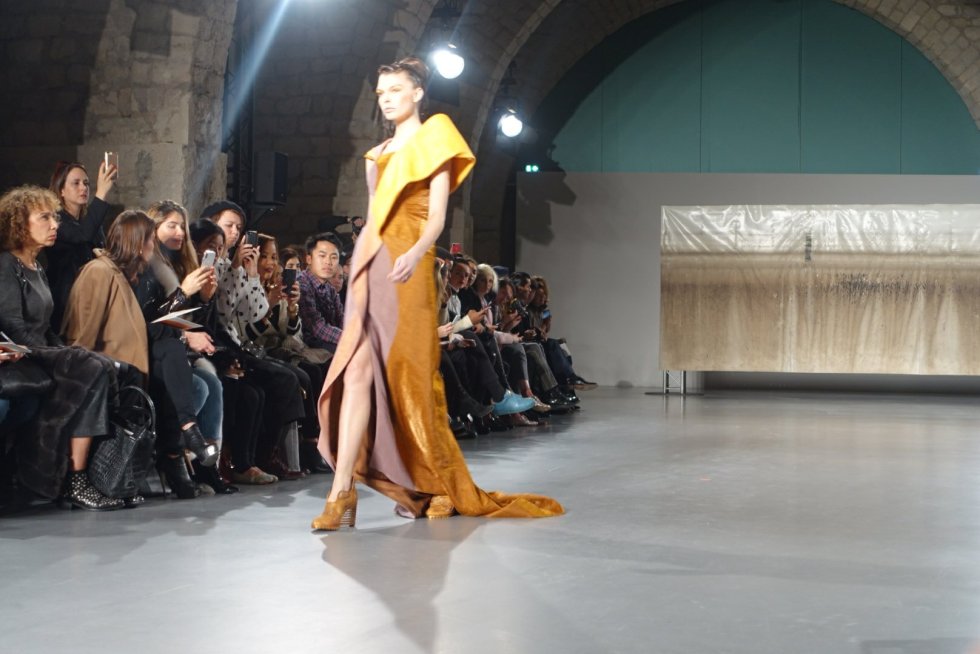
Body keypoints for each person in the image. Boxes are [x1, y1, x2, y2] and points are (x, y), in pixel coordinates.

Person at [311, 57, 563, 530]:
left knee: (411, 377)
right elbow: (374, 217)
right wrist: (358, 265)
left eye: (395, 90)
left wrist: (417, 252)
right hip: (370, 264)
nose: (386, 99)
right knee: (356, 371)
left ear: (417, 92)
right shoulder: (375, 155)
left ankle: (434, 482)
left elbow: (437, 217)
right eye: (381, 92)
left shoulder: (437, 137)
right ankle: (341, 492)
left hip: (411, 264)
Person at [0, 185, 121, 510]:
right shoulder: (6, 265)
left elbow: (47, 328)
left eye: (55, 217)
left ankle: (87, 476)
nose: (55, 225)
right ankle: (74, 480)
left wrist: (67, 350)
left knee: (101, 365)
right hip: (22, 358)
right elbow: (15, 329)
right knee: (90, 369)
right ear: (19, 224)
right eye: (45, 218)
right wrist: (61, 356)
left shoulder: (38, 266)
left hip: (39, 353)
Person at [46, 160, 117, 331]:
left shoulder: (89, 219)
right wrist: (101, 193)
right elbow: (81, 236)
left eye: (86, 183)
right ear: (61, 190)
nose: (83, 188)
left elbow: (101, 246)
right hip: (67, 296)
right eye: (76, 183)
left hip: (94, 290)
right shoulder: (55, 219)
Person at [298, 232, 344, 352]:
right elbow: (316, 327)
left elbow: (341, 319)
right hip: (305, 347)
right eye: (322, 256)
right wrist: (350, 339)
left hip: (327, 344)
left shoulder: (330, 289)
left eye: (334, 257)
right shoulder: (302, 284)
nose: (328, 262)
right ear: (309, 259)